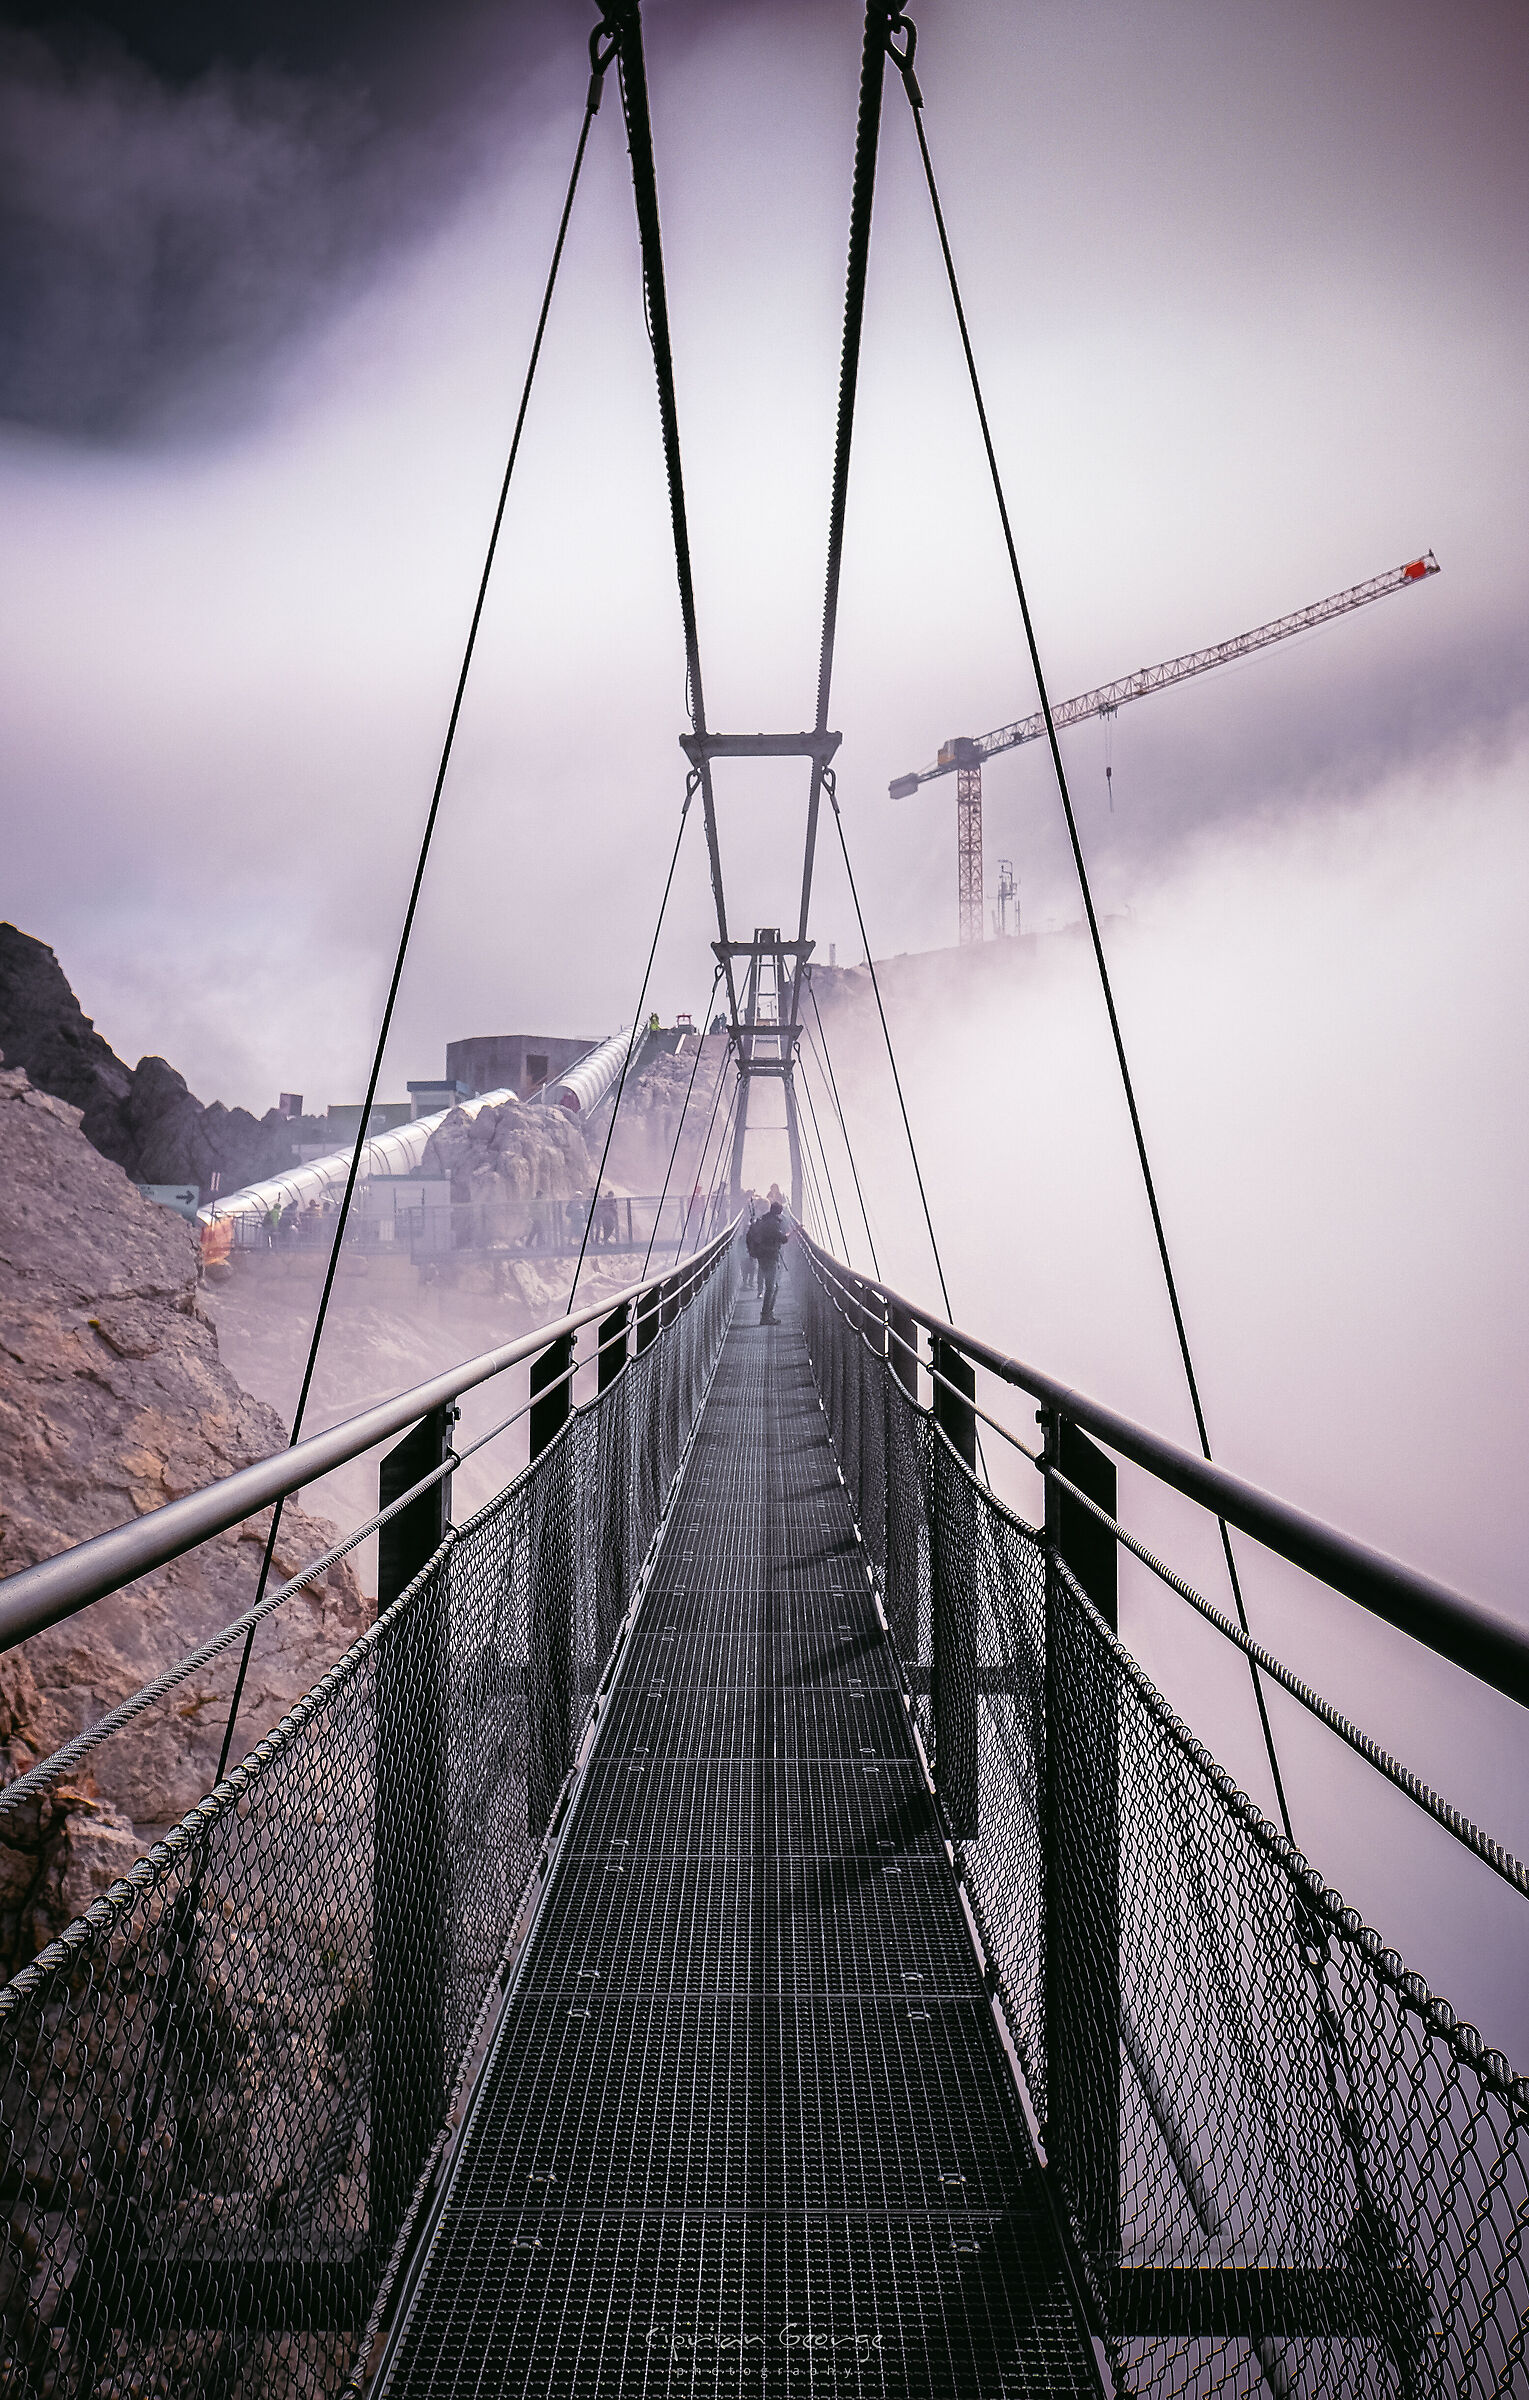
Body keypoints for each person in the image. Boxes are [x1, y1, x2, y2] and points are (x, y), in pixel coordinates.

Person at [751, 1199, 789, 1326]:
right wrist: (793, 1232)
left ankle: (768, 1314)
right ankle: (766, 1316)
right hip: (770, 1256)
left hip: (763, 1255)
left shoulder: (764, 1220)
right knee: (771, 1287)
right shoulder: (773, 1224)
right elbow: (783, 1239)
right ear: (779, 1213)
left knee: (773, 1286)